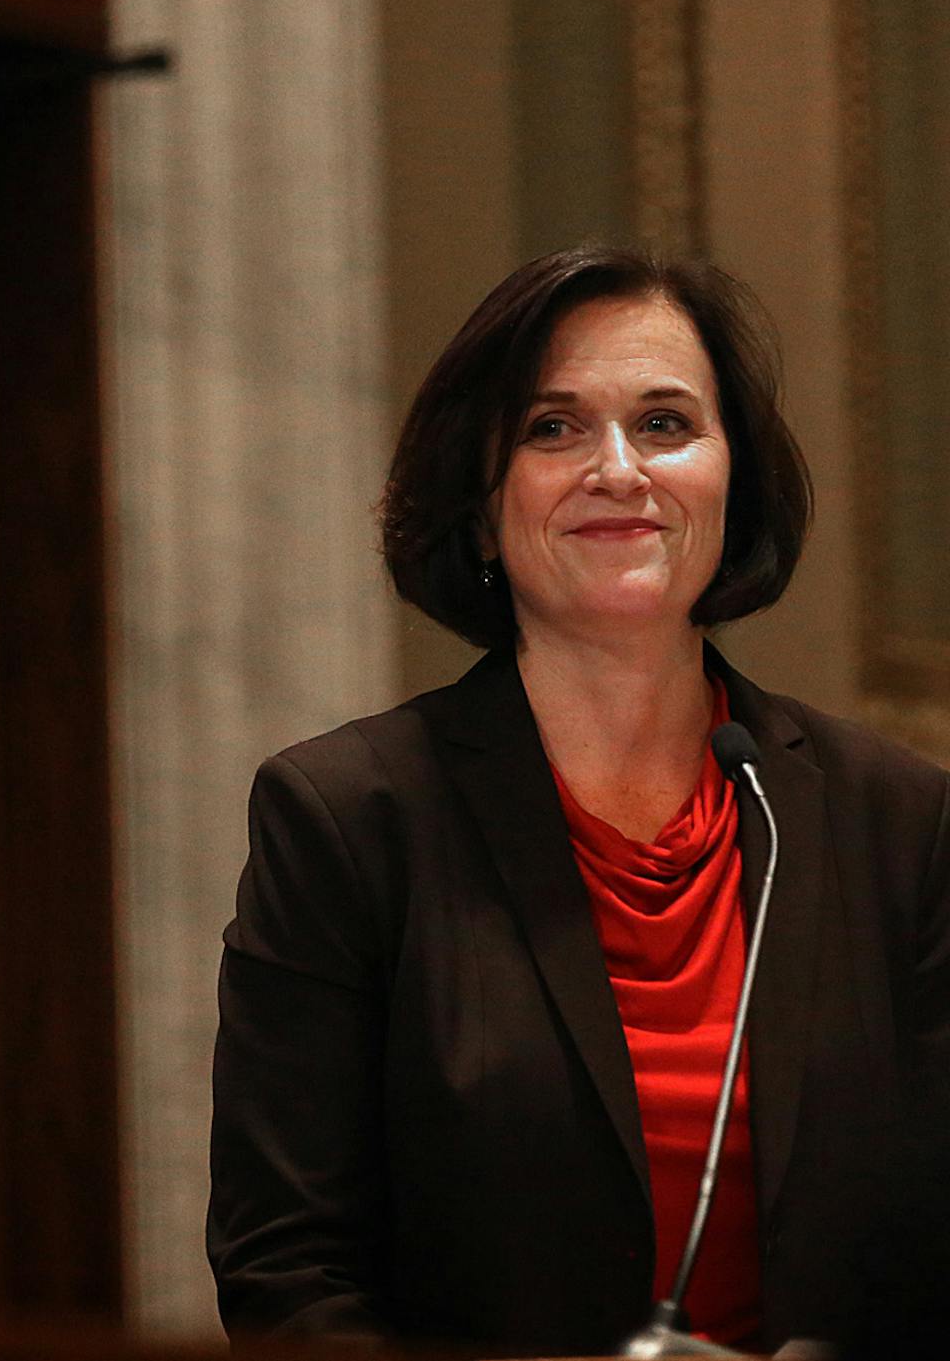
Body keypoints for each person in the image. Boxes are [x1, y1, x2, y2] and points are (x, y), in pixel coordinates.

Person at [207, 246, 950, 1356]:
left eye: (663, 423)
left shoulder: (893, 820)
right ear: (478, 499)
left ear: (729, 477)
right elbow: (286, 1270)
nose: (617, 468)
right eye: (551, 428)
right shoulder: (348, 819)